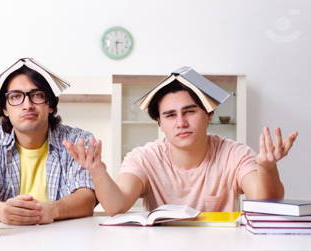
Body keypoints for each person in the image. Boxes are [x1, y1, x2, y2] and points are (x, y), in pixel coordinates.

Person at [63, 80, 298, 215]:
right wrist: (97, 171)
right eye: (170, 115)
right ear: (160, 124)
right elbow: (116, 206)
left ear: (208, 115)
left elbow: (265, 203)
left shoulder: (234, 153)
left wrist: (267, 167)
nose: (181, 123)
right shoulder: (144, 157)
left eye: (190, 112)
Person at [0, 64, 96, 225]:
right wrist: (1, 210)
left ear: (50, 105)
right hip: (4, 240)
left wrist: (50, 210)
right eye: (15, 97)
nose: (27, 105)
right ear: (5, 109)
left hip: (61, 239)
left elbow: (87, 197)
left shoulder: (77, 140)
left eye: (37, 95)